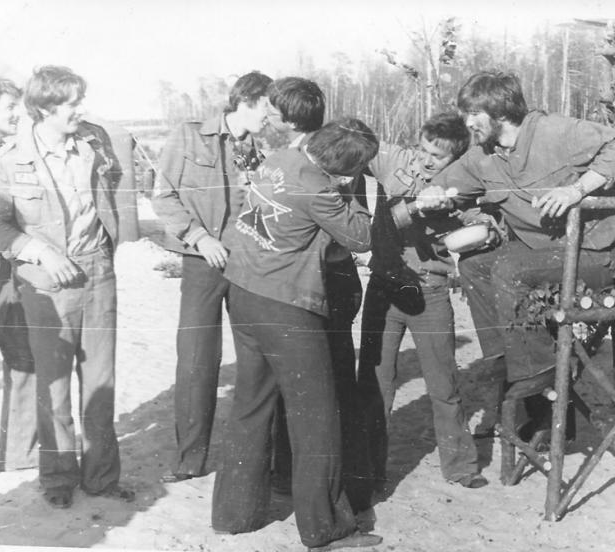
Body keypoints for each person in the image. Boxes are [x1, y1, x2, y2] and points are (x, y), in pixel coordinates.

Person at [419, 71, 615, 431]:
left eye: (473, 114)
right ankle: (503, 359)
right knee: (475, 265)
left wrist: (577, 190)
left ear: (499, 111)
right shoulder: (483, 157)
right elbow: (442, 185)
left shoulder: (555, 132)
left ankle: (538, 369)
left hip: (594, 255)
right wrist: (432, 193)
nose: (467, 123)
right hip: (543, 259)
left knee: (510, 269)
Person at [212, 118, 383, 551]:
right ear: (345, 168)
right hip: (286, 307)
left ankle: (234, 514)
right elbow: (362, 237)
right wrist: (353, 188)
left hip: (243, 291)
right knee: (317, 420)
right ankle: (325, 530)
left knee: (251, 406)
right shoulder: (320, 189)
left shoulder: (279, 158)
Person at [0, 65, 132, 509]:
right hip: (46, 282)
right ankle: (58, 478)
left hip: (97, 273)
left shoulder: (94, 143)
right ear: (44, 109)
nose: (81, 110)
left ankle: (101, 476)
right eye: (71, 103)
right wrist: (42, 253)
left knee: (101, 381)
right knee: (54, 383)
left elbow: (112, 186)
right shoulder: (10, 160)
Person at [152, 71, 272, 483]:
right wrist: (200, 237)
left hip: (246, 268)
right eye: (267, 108)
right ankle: (190, 460)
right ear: (247, 101)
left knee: (256, 359)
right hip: (202, 263)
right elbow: (163, 196)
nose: (270, 117)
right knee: (196, 360)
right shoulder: (189, 136)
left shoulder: (259, 152)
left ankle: (251, 458)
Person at [357, 112, 486, 489]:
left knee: (444, 384)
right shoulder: (395, 160)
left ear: (455, 158)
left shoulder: (462, 184)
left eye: (438, 156)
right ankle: (366, 469)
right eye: (423, 149)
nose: (426, 160)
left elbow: (485, 225)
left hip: (430, 291)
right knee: (375, 382)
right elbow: (353, 146)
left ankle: (461, 466)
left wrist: (469, 225)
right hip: (384, 288)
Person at [0, 77, 38, 471]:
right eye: (9, 107)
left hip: (18, 274)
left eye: (19, 106)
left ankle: (22, 455)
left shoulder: (16, 154)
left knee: (26, 360)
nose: (18, 114)